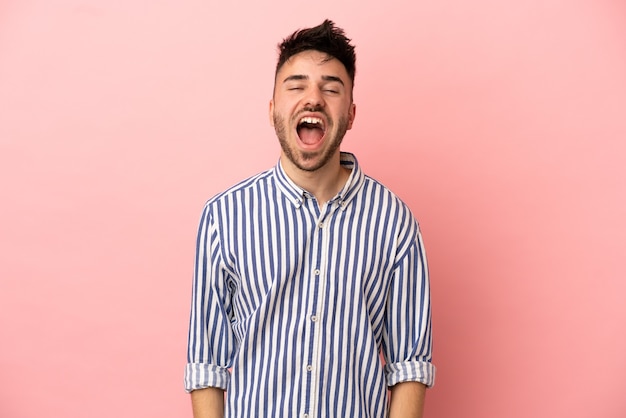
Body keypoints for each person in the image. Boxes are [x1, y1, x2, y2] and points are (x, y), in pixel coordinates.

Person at [185, 19, 435, 418]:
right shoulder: (223, 217)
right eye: (296, 85)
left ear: (350, 113)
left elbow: (410, 366)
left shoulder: (395, 222)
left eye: (331, 88)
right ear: (272, 110)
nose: (314, 99)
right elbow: (207, 366)